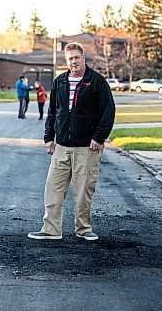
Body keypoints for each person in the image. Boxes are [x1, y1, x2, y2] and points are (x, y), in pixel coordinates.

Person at [28, 42, 116, 241]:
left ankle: (83, 229)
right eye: (70, 59)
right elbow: (52, 113)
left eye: (77, 57)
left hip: (87, 146)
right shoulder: (60, 82)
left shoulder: (96, 81)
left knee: (84, 190)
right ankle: (51, 230)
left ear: (83, 58)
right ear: (66, 61)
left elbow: (108, 112)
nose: (74, 61)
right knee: (53, 188)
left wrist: (99, 137)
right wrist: (49, 138)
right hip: (62, 146)